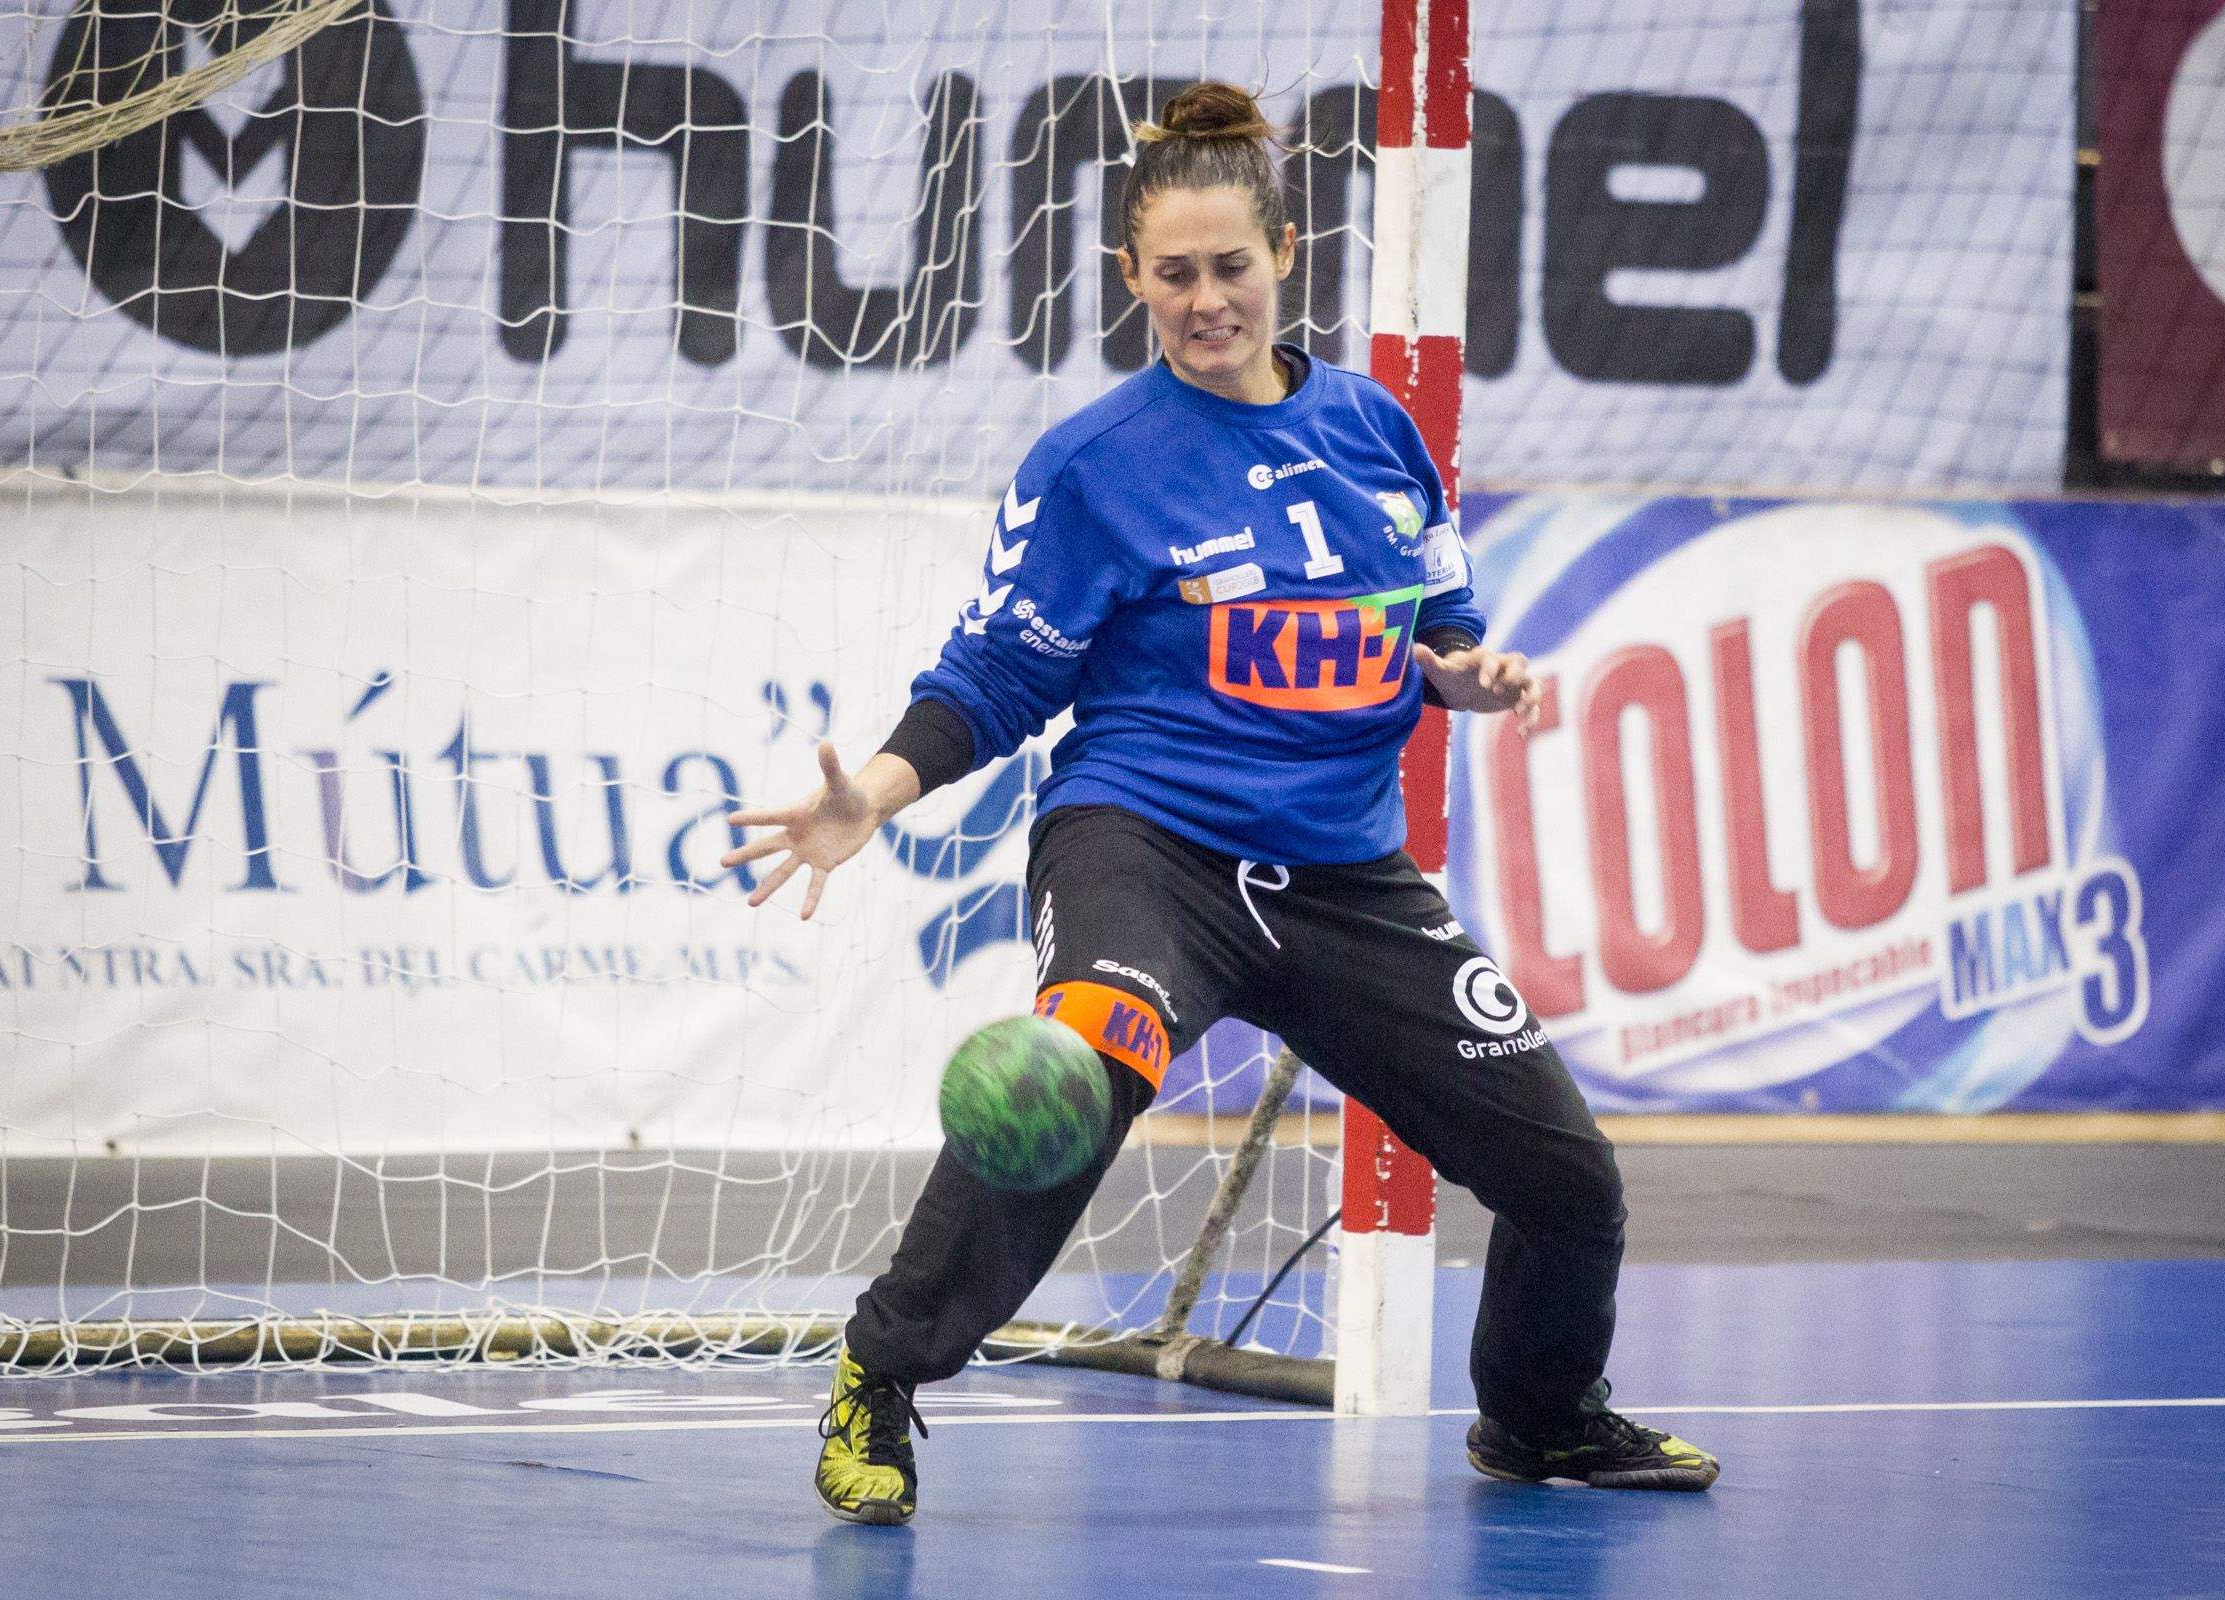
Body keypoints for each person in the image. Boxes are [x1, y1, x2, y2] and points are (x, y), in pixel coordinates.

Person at [722, 82, 1719, 1526]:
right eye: (1174, 274)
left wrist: (1466, 675)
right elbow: (997, 676)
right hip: (1148, 846)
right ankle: (882, 1371)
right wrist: (869, 795)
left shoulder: (1380, 430)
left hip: (1341, 875)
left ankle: (1539, 1420)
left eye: (1230, 267)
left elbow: (1435, 620)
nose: (1206, 300)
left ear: (1285, 254)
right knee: (1080, 1068)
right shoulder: (1093, 465)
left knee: (1569, 1182)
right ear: (1131, 278)